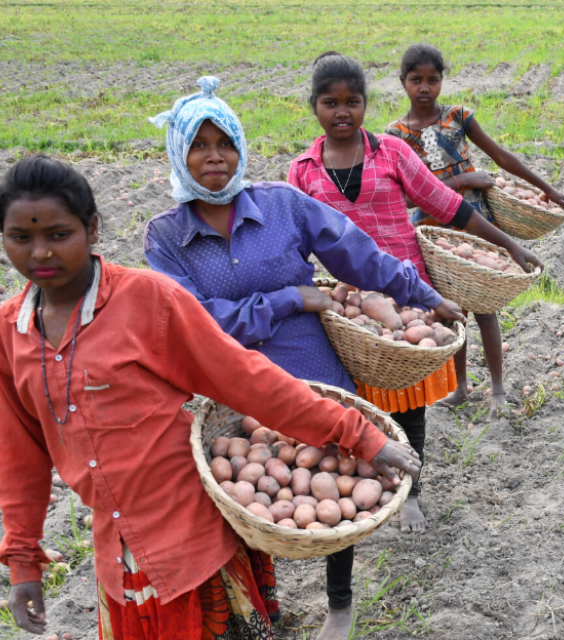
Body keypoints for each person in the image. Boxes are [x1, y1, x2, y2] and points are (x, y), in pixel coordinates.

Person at [0, 154, 420, 639]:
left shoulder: (148, 301)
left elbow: (245, 379)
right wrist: (23, 561)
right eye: (20, 238)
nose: (40, 254)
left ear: (92, 229)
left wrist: (358, 433)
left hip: (191, 536)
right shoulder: (11, 333)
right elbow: (20, 454)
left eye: (58, 234)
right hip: (118, 555)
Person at [142, 76, 462, 639]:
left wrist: (427, 296)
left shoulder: (283, 205)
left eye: (226, 143)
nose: (214, 157)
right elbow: (192, 323)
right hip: (238, 392)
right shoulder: (166, 237)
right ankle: (260, 608)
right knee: (246, 505)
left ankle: (340, 604)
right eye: (199, 145)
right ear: (178, 152)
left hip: (316, 375)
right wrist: (289, 298)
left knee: (340, 479)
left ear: (240, 148)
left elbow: (359, 256)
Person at [288, 52, 542, 534]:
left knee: (407, 402)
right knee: (356, 403)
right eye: (330, 102)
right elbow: (293, 244)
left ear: (365, 104)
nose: (343, 111)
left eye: (353, 101)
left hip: (406, 294)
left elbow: (448, 206)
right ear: (315, 107)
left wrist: (510, 244)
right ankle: (366, 483)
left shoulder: (392, 152)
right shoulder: (301, 172)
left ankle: (411, 494)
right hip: (348, 303)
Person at [385, 43, 564, 406]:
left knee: (485, 308)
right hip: (433, 233)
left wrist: (546, 188)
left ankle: (498, 388)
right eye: (416, 80)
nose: (424, 87)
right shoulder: (395, 136)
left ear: (442, 81)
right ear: (402, 82)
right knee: (451, 311)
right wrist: (461, 182)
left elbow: (500, 155)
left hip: (474, 224)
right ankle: (460, 388)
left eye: (432, 80)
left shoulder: (458, 117)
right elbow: (403, 198)